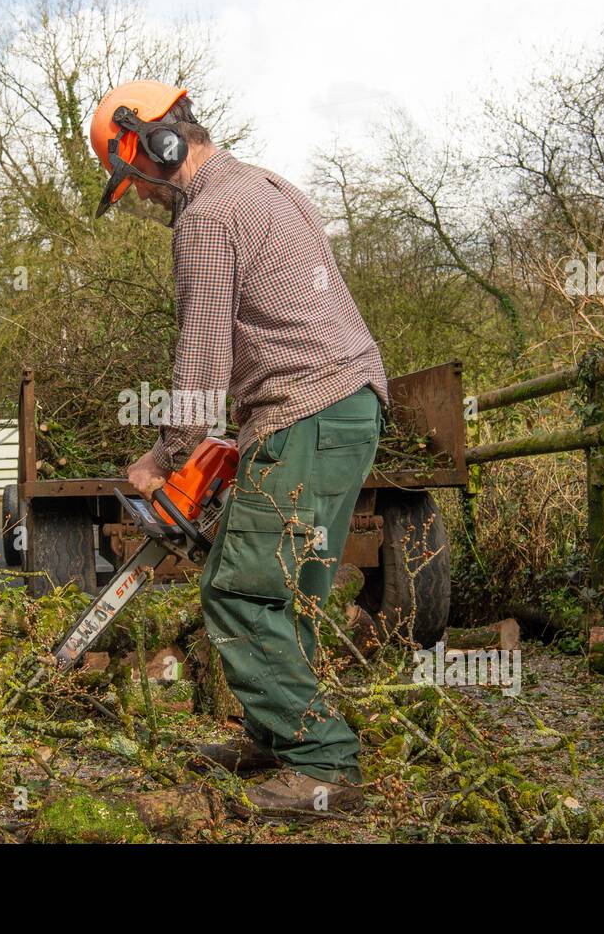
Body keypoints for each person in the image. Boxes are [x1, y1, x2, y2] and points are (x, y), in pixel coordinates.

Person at [90, 80, 388, 814]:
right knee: (293, 586)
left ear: (153, 147)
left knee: (236, 590)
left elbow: (201, 364)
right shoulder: (264, 184)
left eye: (136, 184)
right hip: (348, 405)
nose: (146, 200)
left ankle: (323, 763)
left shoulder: (207, 217)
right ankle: (276, 735)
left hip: (306, 408)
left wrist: (164, 459)